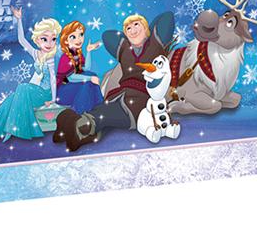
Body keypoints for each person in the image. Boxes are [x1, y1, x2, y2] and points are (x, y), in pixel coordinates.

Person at [53, 12, 175, 151]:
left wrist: (150, 33)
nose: (132, 30)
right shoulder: (125, 49)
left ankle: (78, 125)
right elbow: (107, 36)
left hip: (141, 98)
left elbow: (167, 17)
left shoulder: (156, 44)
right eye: (128, 28)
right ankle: (73, 130)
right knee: (104, 113)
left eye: (136, 25)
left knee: (108, 116)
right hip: (120, 93)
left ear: (146, 28)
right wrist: (126, 41)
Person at [0, 8, 61, 142]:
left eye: (53, 39)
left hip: (44, 94)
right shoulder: (36, 53)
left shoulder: (50, 58)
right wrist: (19, 19)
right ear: (37, 40)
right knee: (11, 98)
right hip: (33, 91)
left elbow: (53, 79)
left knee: (22, 87)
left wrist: (53, 99)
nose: (49, 43)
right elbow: (21, 40)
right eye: (45, 39)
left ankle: (13, 129)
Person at [56, 21, 103, 114]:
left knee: (90, 75)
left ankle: (98, 108)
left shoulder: (78, 54)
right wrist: (90, 78)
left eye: (81, 35)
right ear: (66, 40)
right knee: (87, 82)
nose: (78, 39)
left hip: (73, 87)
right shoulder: (65, 57)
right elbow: (70, 78)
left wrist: (88, 51)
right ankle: (80, 112)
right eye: (73, 37)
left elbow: (86, 69)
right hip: (63, 92)